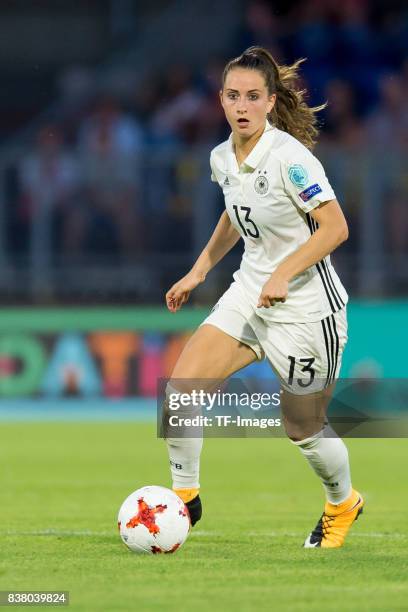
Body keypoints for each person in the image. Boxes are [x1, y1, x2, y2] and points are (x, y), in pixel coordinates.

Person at [163, 47, 364, 549]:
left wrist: (285, 272)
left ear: (271, 102)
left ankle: (342, 502)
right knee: (180, 393)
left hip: (305, 309)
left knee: (303, 429)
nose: (242, 105)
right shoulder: (220, 157)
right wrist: (200, 268)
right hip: (250, 292)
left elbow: (335, 226)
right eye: (234, 96)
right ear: (222, 101)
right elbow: (235, 213)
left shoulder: (291, 159)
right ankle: (184, 501)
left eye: (253, 96)